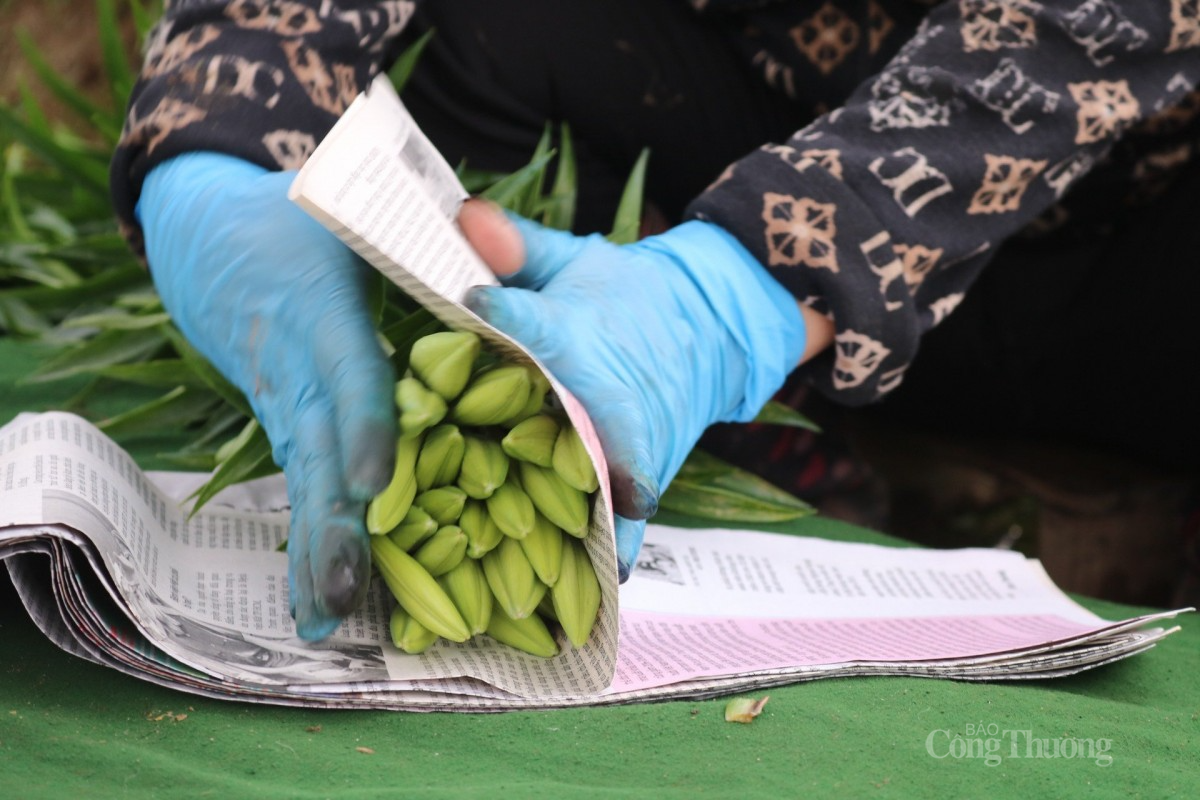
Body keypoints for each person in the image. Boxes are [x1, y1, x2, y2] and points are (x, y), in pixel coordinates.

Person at [112, 1, 1200, 640]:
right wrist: (218, 126)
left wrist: (745, 286)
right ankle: (739, 436)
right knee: (509, 31)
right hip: (768, 119)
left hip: (1140, 238)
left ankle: (716, 354)